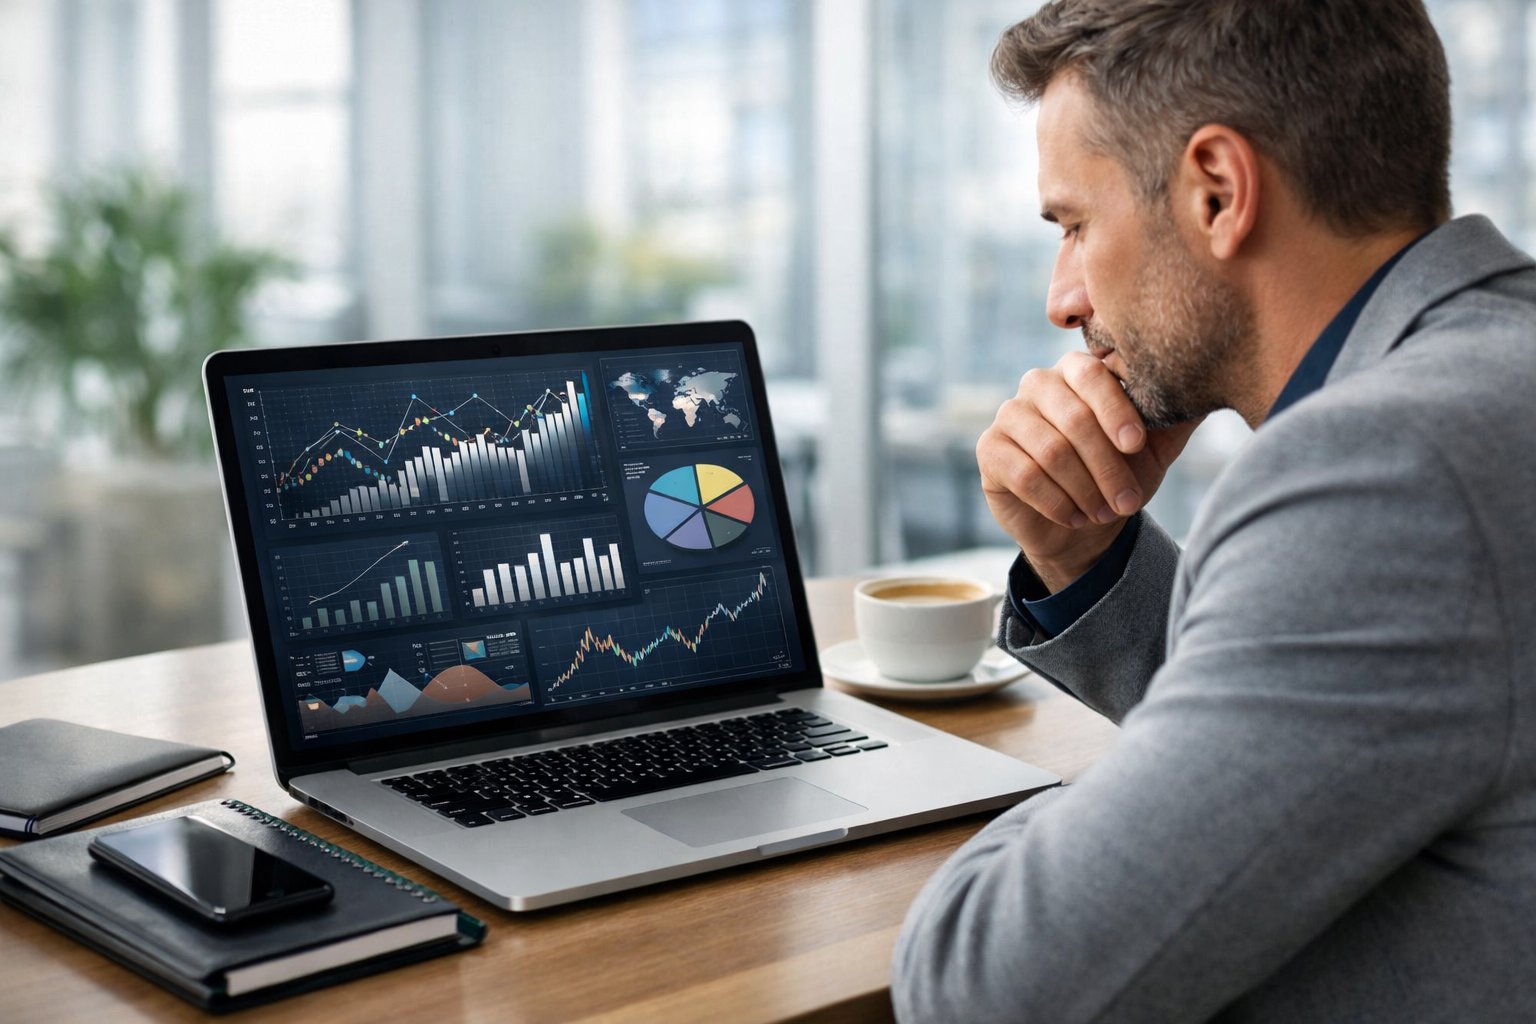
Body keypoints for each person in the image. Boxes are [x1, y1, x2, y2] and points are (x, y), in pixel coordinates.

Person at [891, 1, 1536, 1021]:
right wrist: (1090, 557)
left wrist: (1087, 809)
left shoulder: (1387, 469)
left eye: (1072, 225)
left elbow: (991, 986)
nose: (1061, 298)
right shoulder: (1500, 361)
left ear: (1218, 191)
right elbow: (1331, 739)